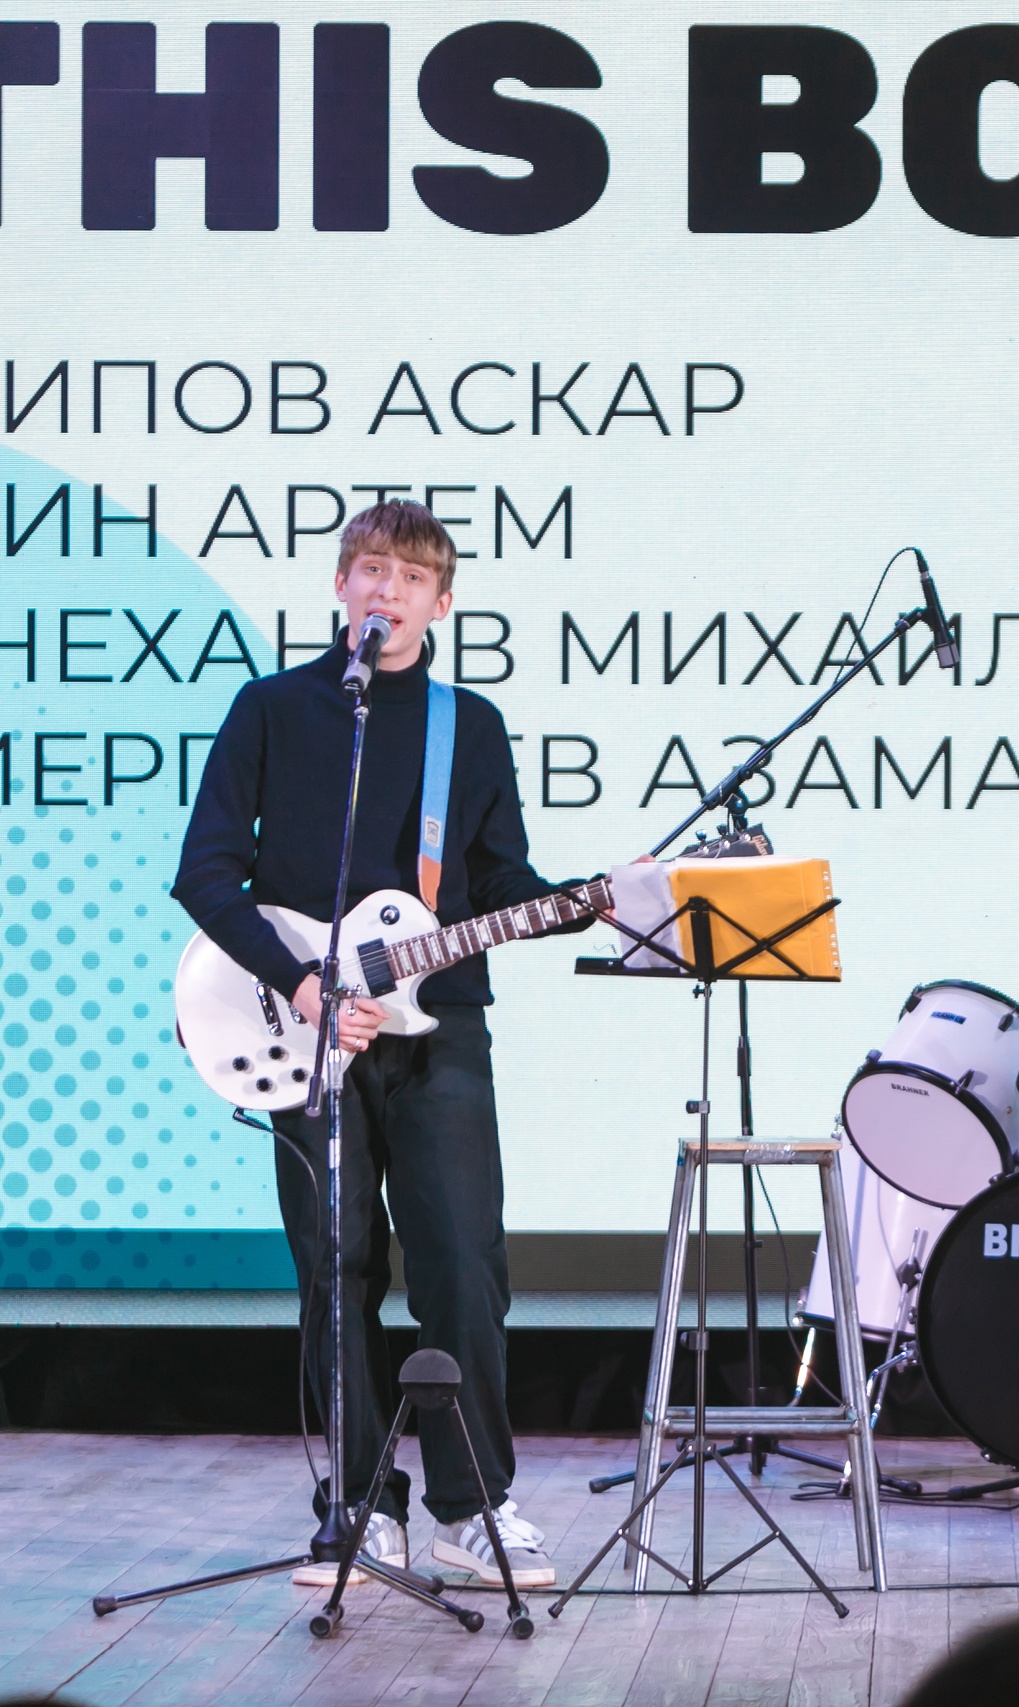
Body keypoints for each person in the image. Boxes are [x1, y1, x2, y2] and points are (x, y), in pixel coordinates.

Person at [172, 500, 594, 1589]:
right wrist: (303, 986)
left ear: (441, 602)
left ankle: (474, 1505)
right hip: (305, 1028)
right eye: (369, 569)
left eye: (410, 577)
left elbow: (497, 877)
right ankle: (360, 1508)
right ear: (339, 586)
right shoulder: (272, 709)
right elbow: (204, 873)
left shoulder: (470, 725)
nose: (386, 590)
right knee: (336, 1267)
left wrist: (579, 901)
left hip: (437, 1029)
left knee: (462, 1263)